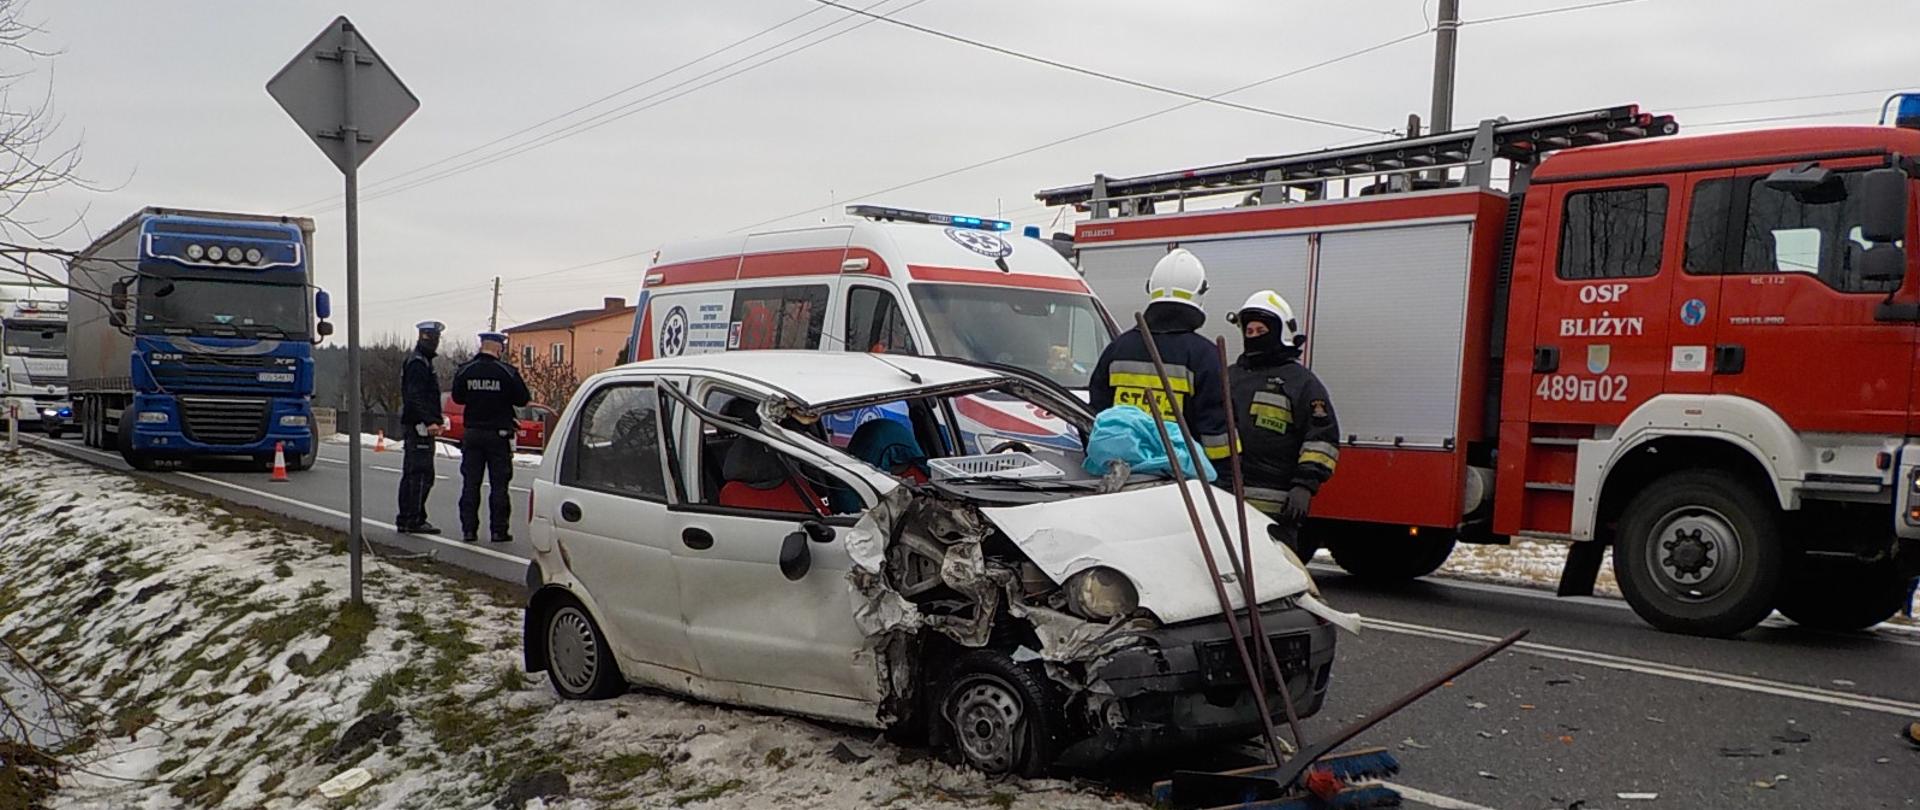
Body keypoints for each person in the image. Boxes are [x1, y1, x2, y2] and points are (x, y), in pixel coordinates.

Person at [1089, 247, 1235, 463]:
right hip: (1182, 480)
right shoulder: (1204, 356)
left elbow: (1097, 417)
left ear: (1151, 289)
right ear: (1200, 293)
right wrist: (1223, 481)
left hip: (1121, 472)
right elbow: (1217, 436)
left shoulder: (1118, 348)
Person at [1226, 290, 1339, 556]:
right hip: (1227, 501)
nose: (1253, 336)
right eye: (1249, 331)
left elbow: (1322, 440)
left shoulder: (1301, 383)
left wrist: (1304, 486)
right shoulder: (1228, 376)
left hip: (1277, 511)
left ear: (1279, 333)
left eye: (1261, 330)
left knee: (1278, 579)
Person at [451, 331, 531, 543]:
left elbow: (458, 398)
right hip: (498, 434)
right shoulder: (507, 372)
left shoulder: (465, 370)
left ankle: (469, 530)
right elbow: (523, 399)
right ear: (498, 348)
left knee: (470, 484)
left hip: (473, 433)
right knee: (499, 485)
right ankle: (499, 530)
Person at [395, 321, 445, 535]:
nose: (436, 342)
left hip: (418, 424)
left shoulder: (421, 360)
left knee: (415, 473)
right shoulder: (418, 363)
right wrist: (429, 420)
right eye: (435, 338)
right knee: (420, 474)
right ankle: (413, 518)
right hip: (419, 427)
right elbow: (415, 396)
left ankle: (408, 517)